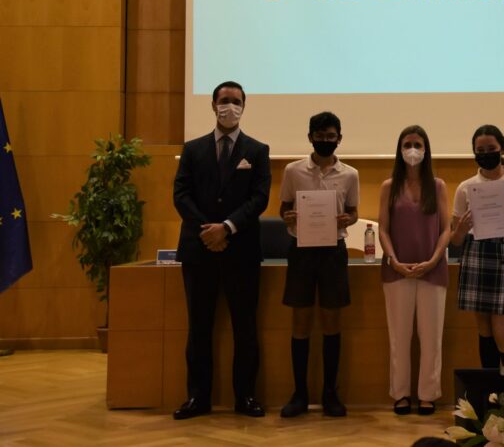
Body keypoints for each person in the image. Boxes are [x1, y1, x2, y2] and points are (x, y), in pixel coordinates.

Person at [172, 81, 271, 419]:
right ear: (213, 106)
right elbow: (181, 194)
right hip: (199, 251)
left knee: (245, 328)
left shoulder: (257, 151)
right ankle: (197, 398)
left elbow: (259, 198)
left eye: (236, 101)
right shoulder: (193, 148)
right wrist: (208, 231)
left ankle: (245, 398)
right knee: (198, 328)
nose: (230, 106)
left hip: (240, 251)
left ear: (245, 106)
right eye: (224, 100)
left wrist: (226, 228)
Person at [277, 111, 359, 418]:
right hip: (300, 250)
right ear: (310, 137)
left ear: (340, 138)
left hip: (333, 252)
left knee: (331, 323)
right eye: (320, 136)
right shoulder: (293, 170)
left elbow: (352, 211)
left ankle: (330, 394)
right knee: (300, 323)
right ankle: (299, 394)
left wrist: (347, 219)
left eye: (331, 136)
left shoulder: (350, 174)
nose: (326, 141)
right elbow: (284, 206)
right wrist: (288, 216)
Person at [450, 124, 504, 368]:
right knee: (485, 331)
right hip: (477, 254)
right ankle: (490, 395)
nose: (486, 153)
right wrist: (460, 228)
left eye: (491, 148)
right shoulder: (465, 188)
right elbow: (455, 240)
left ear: (502, 148)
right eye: (480, 150)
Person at [378, 125, 451, 416]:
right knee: (399, 335)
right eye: (407, 144)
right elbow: (382, 228)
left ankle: (428, 394)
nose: (412, 150)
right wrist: (393, 259)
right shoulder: (388, 186)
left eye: (417, 144)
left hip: (432, 269)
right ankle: (401, 394)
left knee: (432, 336)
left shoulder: (439, 186)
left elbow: (446, 229)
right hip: (397, 270)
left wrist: (433, 260)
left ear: (426, 149)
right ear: (399, 149)